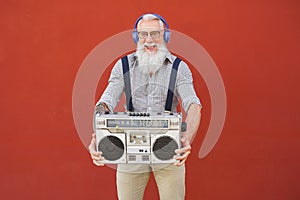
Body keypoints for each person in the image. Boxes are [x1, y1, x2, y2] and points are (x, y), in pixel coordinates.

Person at [89, 13, 202, 200]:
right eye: (143, 35)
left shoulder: (179, 67)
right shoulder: (123, 66)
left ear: (165, 36)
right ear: (136, 37)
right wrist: (97, 135)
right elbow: (104, 103)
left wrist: (187, 137)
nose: (149, 40)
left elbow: (194, 105)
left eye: (155, 34)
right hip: (129, 152)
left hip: (168, 149)